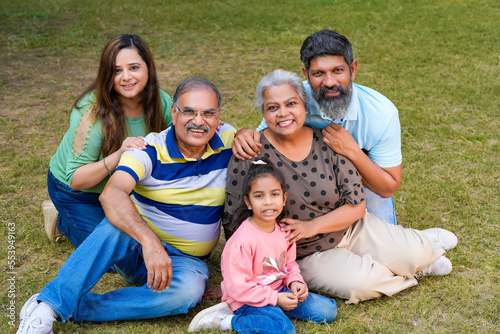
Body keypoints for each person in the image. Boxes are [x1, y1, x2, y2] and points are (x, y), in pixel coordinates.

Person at [16, 77, 235, 334]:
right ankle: (49, 307)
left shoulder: (230, 140)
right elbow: (112, 194)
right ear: (174, 113)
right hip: (138, 250)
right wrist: (150, 243)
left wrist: (247, 134)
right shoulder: (149, 149)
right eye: (189, 111)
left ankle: (76, 307)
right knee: (115, 224)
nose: (199, 121)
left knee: (188, 292)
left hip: (187, 262)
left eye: (208, 113)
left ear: (218, 116)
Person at [224, 69, 457, 305]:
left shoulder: (327, 141)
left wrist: (311, 225)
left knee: (417, 253)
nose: (283, 113)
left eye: (291, 103)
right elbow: (235, 221)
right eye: (273, 107)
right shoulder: (250, 154)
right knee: (364, 284)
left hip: (351, 228)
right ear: (264, 113)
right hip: (303, 253)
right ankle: (412, 267)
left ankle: (419, 250)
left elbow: (357, 205)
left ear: (305, 106)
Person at [232, 30, 402, 225]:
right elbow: (265, 135)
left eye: (337, 71)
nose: (329, 82)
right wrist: (244, 133)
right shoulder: (293, 99)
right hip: (314, 184)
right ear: (306, 74)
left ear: (353, 69)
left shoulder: (381, 113)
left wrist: (352, 151)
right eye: (318, 73)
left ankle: (425, 241)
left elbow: (388, 187)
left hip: (362, 181)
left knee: (385, 242)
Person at [45, 34, 173, 246]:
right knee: (115, 255)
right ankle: (62, 219)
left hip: (125, 189)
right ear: (107, 75)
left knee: (156, 241)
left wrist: (239, 134)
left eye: (134, 67)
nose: (126, 77)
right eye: (116, 71)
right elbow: (77, 179)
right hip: (78, 193)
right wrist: (119, 154)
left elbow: (191, 127)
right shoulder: (92, 112)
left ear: (147, 68)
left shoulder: (161, 101)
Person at [188, 159, 336, 333]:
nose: (268, 202)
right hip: (247, 299)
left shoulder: (284, 231)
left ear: (284, 198)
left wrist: (295, 282)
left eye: (274, 194)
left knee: (327, 311)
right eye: (259, 196)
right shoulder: (242, 242)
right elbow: (238, 288)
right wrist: (275, 299)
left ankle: (273, 312)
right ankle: (228, 320)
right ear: (248, 202)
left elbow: (289, 265)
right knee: (284, 330)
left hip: (279, 290)